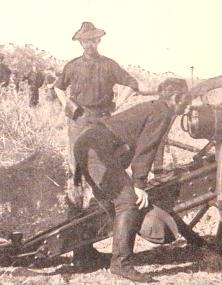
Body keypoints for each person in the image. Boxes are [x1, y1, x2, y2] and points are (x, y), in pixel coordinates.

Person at [53, 22, 153, 265]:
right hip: (79, 123)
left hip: (104, 124)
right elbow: (57, 88)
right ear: (80, 43)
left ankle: (96, 243)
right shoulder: (72, 66)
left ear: (99, 41)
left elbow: (132, 84)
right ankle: (81, 250)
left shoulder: (109, 65)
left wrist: (117, 106)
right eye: (85, 41)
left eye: (94, 40)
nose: (90, 44)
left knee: (106, 180)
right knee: (77, 181)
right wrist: (68, 106)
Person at [72, 78, 189, 282]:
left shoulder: (152, 107)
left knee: (108, 202)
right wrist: (139, 185)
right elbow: (146, 149)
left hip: (86, 142)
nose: (186, 106)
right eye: (185, 101)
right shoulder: (163, 112)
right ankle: (121, 264)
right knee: (127, 202)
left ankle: (83, 254)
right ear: (177, 98)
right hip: (96, 148)